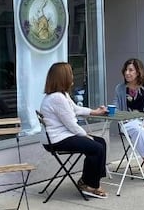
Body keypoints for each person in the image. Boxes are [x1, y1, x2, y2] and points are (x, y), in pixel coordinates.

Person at [40, 62, 109, 199]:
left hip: (62, 136)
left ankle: (89, 180)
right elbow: (71, 123)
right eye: (70, 73)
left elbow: (75, 109)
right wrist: (85, 135)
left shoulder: (62, 95)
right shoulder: (57, 98)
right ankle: (91, 185)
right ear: (63, 77)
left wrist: (95, 112)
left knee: (100, 142)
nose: (72, 76)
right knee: (96, 147)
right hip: (57, 140)